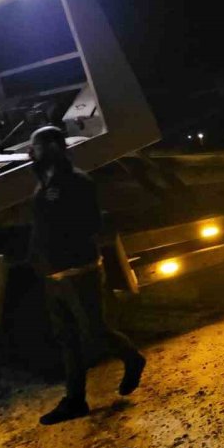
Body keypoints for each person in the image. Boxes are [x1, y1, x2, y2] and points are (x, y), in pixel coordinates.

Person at [27, 125, 146, 426]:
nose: (32, 154)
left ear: (52, 149)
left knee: (93, 330)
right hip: (54, 275)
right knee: (67, 339)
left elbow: (90, 224)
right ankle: (75, 400)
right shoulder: (44, 183)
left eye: (36, 148)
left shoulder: (77, 182)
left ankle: (131, 357)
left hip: (79, 272)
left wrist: (65, 244)